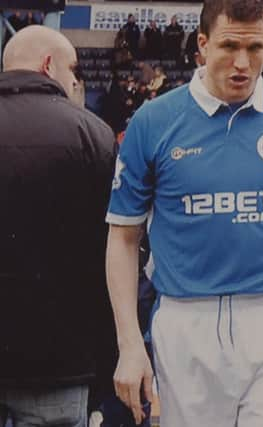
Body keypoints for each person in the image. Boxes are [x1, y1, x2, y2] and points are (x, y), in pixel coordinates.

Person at [105, 1, 263, 425]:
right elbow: (123, 239)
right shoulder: (154, 121)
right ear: (202, 44)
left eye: (255, 48)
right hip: (186, 321)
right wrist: (129, 343)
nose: (242, 63)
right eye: (229, 45)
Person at [0, 26, 117, 426]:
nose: (76, 81)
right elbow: (113, 249)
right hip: (59, 361)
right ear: (49, 65)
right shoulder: (93, 134)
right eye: (74, 71)